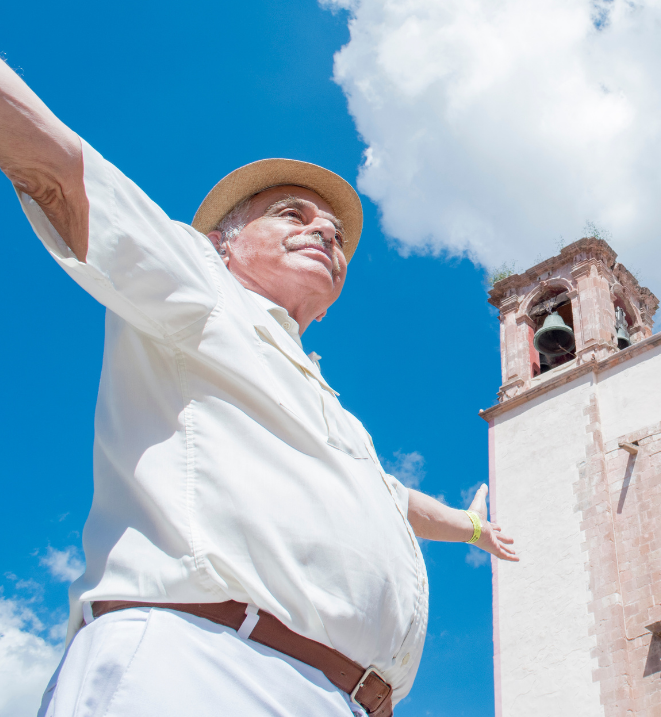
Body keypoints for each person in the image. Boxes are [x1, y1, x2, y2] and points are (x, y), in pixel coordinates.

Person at [0, 59, 518, 717]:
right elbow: (61, 170)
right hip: (209, 664)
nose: (324, 233)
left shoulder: (331, 411)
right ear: (222, 243)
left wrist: (473, 528)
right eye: (292, 215)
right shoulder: (196, 282)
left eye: (334, 236)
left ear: (328, 305)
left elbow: (395, 499)